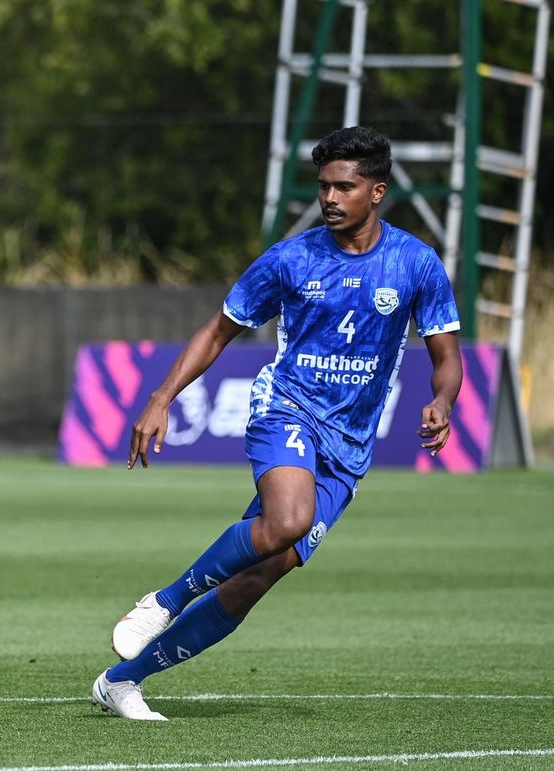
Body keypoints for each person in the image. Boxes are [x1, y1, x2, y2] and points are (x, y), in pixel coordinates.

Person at [92, 126, 463, 721]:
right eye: (323, 187)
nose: (331, 199)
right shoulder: (290, 258)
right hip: (285, 407)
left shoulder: (415, 263)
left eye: (345, 186)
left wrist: (442, 402)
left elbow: (448, 359)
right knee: (290, 519)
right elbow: (219, 330)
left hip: (349, 447)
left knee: (257, 575)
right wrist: (162, 396)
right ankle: (163, 601)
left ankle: (121, 682)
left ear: (377, 192)